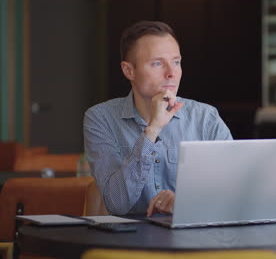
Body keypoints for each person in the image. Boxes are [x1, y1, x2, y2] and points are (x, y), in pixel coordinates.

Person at [83, 21, 232, 216]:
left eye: (176, 62)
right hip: (129, 242)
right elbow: (117, 203)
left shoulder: (205, 117)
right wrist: (152, 130)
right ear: (129, 71)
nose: (171, 73)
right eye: (157, 63)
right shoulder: (100, 118)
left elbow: (233, 188)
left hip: (193, 238)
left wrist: (188, 202)